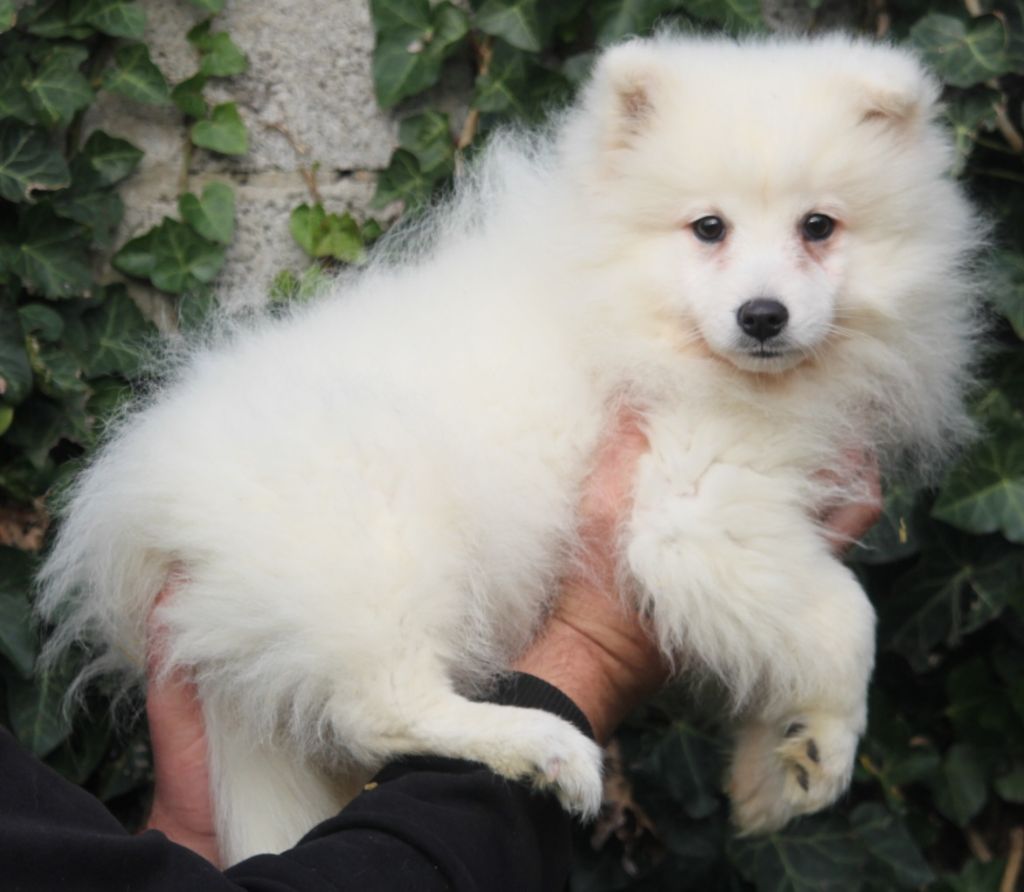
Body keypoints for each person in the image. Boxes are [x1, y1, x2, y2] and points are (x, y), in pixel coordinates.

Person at [0, 412, 881, 890]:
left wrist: (189, 841)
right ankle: (403, 707)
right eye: (710, 228)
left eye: (817, 228)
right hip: (290, 492)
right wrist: (593, 649)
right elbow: (675, 545)